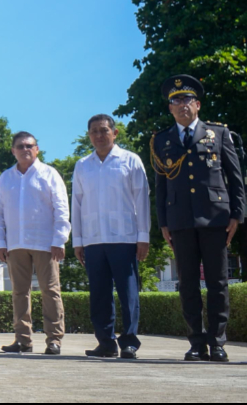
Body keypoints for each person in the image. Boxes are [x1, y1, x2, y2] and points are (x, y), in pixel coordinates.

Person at [150, 74, 244, 362]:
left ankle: (217, 342)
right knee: (188, 284)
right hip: (180, 221)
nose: (182, 105)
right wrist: (163, 222)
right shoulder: (162, 140)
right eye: (176, 101)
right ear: (170, 108)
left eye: (187, 99)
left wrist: (237, 215)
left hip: (216, 218)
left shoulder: (218, 134)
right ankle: (196, 342)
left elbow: (235, 177)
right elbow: (161, 186)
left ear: (198, 104)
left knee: (217, 283)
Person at [72, 114, 151, 359]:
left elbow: (142, 199)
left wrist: (143, 236)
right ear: (89, 135)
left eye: (104, 130)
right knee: (99, 294)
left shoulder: (130, 160)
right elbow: (76, 203)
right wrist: (78, 240)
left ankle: (129, 342)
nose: (99, 135)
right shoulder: (83, 165)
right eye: (94, 131)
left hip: (124, 237)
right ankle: (105, 342)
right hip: (94, 239)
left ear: (115, 133)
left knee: (128, 294)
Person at [0, 131, 69, 355]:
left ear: (37, 149)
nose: (25, 149)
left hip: (46, 243)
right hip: (16, 242)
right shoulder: (6, 177)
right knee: (19, 292)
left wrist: (59, 240)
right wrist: (0, 242)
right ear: (13, 151)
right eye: (20, 146)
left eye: (30, 146)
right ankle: (23, 340)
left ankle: (54, 339)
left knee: (50, 290)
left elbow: (62, 208)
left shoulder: (49, 174)